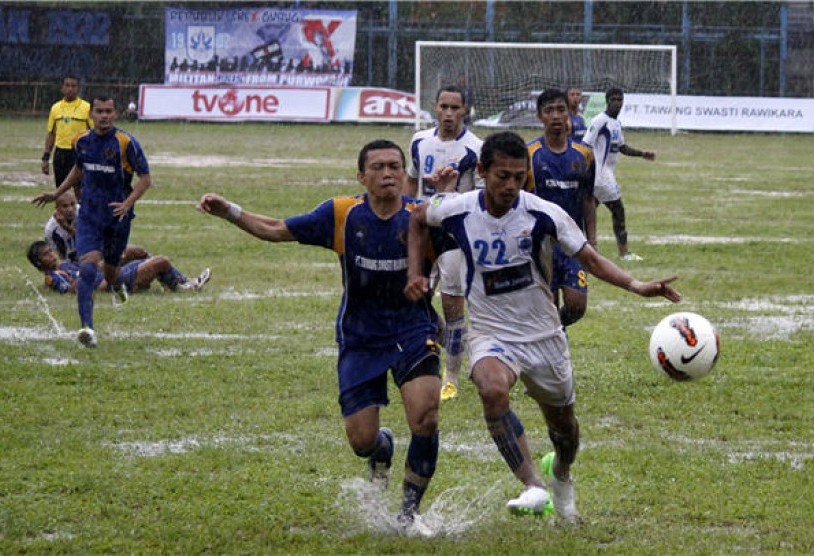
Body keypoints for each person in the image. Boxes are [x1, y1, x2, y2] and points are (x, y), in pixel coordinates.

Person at [405, 131, 681, 521]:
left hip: (544, 337)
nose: (511, 186)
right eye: (502, 176)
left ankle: (561, 476)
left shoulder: (542, 213)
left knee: (565, 432)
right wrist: (415, 273)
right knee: (492, 389)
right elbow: (417, 218)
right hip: (491, 333)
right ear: (482, 171)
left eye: (519, 176)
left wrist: (637, 285)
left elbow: (590, 257)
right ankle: (533, 485)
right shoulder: (455, 208)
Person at [197, 139, 443, 530]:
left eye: (395, 166)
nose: (388, 174)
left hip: (413, 330)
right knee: (361, 441)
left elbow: (467, 242)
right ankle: (382, 449)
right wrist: (230, 211)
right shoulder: (343, 214)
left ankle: (409, 515)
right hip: (360, 338)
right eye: (378, 167)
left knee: (426, 418)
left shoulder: (422, 217)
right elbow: (277, 229)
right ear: (361, 177)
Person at [32, 95, 152, 349]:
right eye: (99, 111)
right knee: (87, 269)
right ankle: (87, 328)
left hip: (118, 218)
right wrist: (57, 193)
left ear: (115, 114)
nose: (104, 116)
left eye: (109, 111)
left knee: (110, 269)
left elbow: (145, 179)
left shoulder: (125, 142)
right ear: (92, 114)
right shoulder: (82, 141)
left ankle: (118, 285)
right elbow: (78, 169)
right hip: (88, 215)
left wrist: (127, 203)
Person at [406, 85, 484, 402]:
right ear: (434, 108)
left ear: (465, 110)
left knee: (453, 307)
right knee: (414, 300)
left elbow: (481, 197)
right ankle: (460, 347)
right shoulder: (419, 141)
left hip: (453, 235)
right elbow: (412, 181)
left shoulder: (477, 148)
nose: (449, 113)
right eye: (444, 107)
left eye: (455, 108)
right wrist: (409, 210)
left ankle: (449, 377)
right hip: (423, 232)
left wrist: (451, 196)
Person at [527, 88, 596, 329]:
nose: (556, 116)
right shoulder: (530, 154)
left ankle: (559, 330)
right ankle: (555, 340)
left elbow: (588, 199)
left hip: (573, 243)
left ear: (569, 113)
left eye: (560, 109)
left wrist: (592, 242)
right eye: (549, 111)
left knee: (577, 305)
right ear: (540, 116)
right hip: (542, 244)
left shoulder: (584, 155)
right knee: (548, 306)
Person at [582, 87, 656, 261]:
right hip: (600, 176)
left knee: (587, 214)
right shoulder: (600, 121)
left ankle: (584, 249)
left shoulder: (616, 123)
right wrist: (586, 170)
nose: (617, 103)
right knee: (618, 210)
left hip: (605, 175)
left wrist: (642, 154)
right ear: (607, 101)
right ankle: (624, 253)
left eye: (620, 99)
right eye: (613, 99)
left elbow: (622, 147)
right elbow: (585, 144)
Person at [27, 240, 211, 295]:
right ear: (38, 263)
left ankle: (176, 283)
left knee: (136, 252)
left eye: (50, 250)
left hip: (110, 274)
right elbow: (69, 291)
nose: (51, 254)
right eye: (45, 254)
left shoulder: (68, 262)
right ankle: (186, 286)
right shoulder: (54, 275)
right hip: (110, 281)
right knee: (161, 261)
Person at [43, 189, 150, 265]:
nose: (71, 209)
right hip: (75, 266)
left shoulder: (84, 213)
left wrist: (69, 229)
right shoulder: (51, 230)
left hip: (96, 254)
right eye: (65, 206)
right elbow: (58, 259)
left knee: (137, 251)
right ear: (56, 208)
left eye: (73, 204)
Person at [42, 75, 93, 189]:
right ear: (62, 88)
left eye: (73, 86)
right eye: (67, 85)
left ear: (78, 88)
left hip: (79, 153)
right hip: (60, 154)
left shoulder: (87, 108)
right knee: (60, 191)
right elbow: (51, 134)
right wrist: (46, 157)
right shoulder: (55, 108)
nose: (70, 89)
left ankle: (80, 207)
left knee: (80, 189)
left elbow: (95, 132)